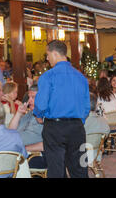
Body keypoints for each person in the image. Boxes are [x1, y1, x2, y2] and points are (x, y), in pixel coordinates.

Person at [33, 40, 90, 178]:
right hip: (77, 127)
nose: (47, 58)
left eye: (47, 54)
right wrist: (77, 121)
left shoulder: (47, 76)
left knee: (56, 168)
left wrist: (39, 115)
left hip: (55, 127)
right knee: (80, 168)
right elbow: (87, 106)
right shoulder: (80, 77)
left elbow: (41, 104)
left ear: (54, 53)